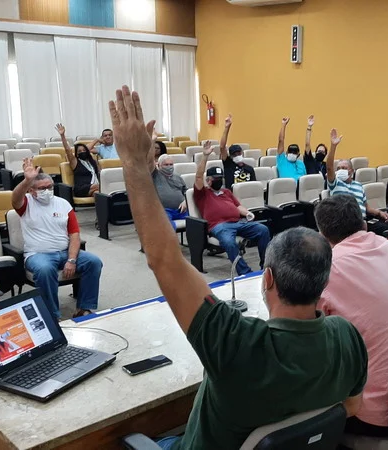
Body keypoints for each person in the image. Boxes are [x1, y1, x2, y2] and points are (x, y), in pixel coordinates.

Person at [109, 85, 368, 450]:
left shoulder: (236, 342)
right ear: (323, 282)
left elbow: (164, 259)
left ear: (268, 278)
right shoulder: (346, 335)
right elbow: (352, 407)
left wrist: (135, 165)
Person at [315, 194, 388, 437]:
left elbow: (308, 328)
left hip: (375, 414)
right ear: (364, 224)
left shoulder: (329, 268)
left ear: (323, 237)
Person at [11, 159, 103, 318]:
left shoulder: (63, 204)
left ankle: (84, 308)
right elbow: (15, 198)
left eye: (49, 187)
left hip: (65, 252)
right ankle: (52, 315)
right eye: (42, 188)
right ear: (31, 190)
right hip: (38, 255)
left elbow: (74, 234)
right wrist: (27, 180)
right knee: (45, 270)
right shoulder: (26, 203)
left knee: (94, 262)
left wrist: (72, 259)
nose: (47, 191)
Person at [192, 142, 270, 275]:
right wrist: (205, 156)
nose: (219, 181)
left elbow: (237, 206)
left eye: (220, 178)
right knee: (229, 242)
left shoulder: (226, 192)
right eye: (215, 179)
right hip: (219, 226)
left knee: (263, 230)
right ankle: (245, 272)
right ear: (208, 180)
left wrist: (247, 213)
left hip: (238, 222)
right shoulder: (202, 193)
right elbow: (198, 176)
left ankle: (266, 265)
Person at [324, 128, 388, 237]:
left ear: (351, 171)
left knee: (387, 229)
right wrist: (333, 146)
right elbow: (329, 167)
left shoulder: (358, 186)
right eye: (338, 168)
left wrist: (379, 213)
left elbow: (366, 207)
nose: (341, 170)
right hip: (345, 224)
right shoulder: (335, 184)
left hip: (363, 221)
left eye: (344, 168)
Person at [56, 123, 100, 197]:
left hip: (93, 187)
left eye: (84, 150)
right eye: (80, 151)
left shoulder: (92, 162)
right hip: (81, 188)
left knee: (98, 194)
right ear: (77, 153)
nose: (82, 152)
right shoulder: (75, 162)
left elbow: (99, 173)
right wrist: (62, 135)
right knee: (101, 186)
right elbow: (68, 150)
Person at [152, 154, 188, 230]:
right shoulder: (155, 175)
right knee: (168, 227)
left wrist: (185, 201)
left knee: (198, 221)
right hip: (164, 211)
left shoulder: (178, 177)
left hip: (181, 210)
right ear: (159, 165)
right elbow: (148, 165)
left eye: (171, 164)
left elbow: (186, 192)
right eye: (166, 165)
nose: (169, 167)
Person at [219, 114, 256, 187]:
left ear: (242, 153)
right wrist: (227, 127)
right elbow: (222, 147)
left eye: (239, 154)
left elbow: (254, 186)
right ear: (231, 156)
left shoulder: (249, 169)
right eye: (234, 155)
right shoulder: (228, 165)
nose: (237, 156)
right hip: (232, 193)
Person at [303, 115, 328, 179]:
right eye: (319, 151)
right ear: (316, 152)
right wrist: (309, 127)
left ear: (325, 154)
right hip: (311, 183)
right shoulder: (310, 160)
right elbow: (307, 144)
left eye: (322, 152)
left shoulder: (326, 165)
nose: (320, 153)